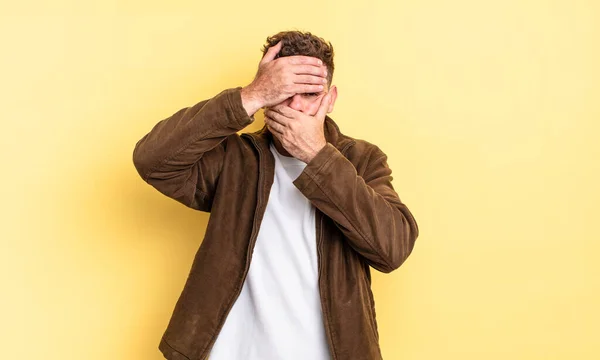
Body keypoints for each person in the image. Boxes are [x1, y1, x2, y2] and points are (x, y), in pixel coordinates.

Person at [133, 30, 419, 360]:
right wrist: (249, 96)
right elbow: (152, 161)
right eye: (284, 92)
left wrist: (318, 155)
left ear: (330, 98)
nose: (296, 106)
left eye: (309, 93)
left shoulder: (361, 159)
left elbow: (393, 248)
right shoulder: (235, 159)